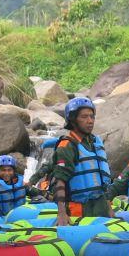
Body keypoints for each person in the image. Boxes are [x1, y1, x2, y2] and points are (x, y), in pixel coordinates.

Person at [51, 97, 112, 226]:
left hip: (101, 206)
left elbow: (102, 180)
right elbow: (60, 181)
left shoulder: (95, 142)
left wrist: (109, 208)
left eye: (92, 116)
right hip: (80, 208)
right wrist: (61, 213)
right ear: (73, 120)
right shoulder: (67, 146)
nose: (90, 121)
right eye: (84, 117)